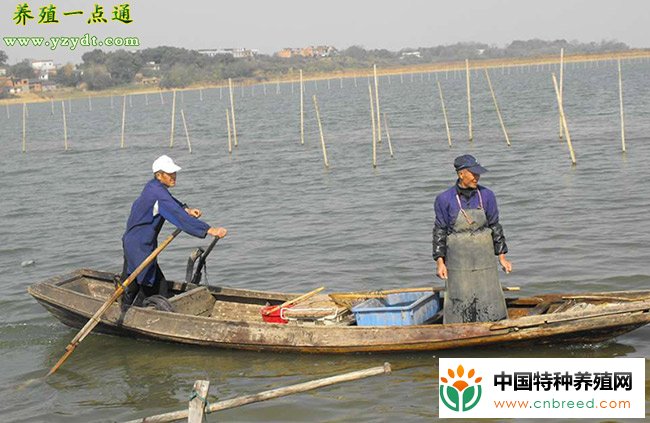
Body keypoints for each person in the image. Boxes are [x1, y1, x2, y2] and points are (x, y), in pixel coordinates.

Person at [120, 155, 227, 309]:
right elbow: (179, 218)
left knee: (134, 281)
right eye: (169, 174)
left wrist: (186, 209)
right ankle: (132, 312)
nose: (174, 177)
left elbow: (171, 203)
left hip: (134, 242)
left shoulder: (153, 187)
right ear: (159, 175)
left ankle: (125, 307)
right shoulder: (157, 193)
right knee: (156, 288)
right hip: (139, 246)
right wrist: (210, 230)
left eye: (174, 173)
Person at [432, 154, 512, 323]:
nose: (477, 177)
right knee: (461, 295)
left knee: (488, 293)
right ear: (461, 174)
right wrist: (440, 262)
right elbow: (440, 232)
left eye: (478, 173)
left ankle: (495, 321)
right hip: (458, 260)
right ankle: (458, 326)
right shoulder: (444, 199)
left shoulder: (487, 195)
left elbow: (495, 227)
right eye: (473, 173)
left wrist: (502, 257)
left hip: (485, 258)